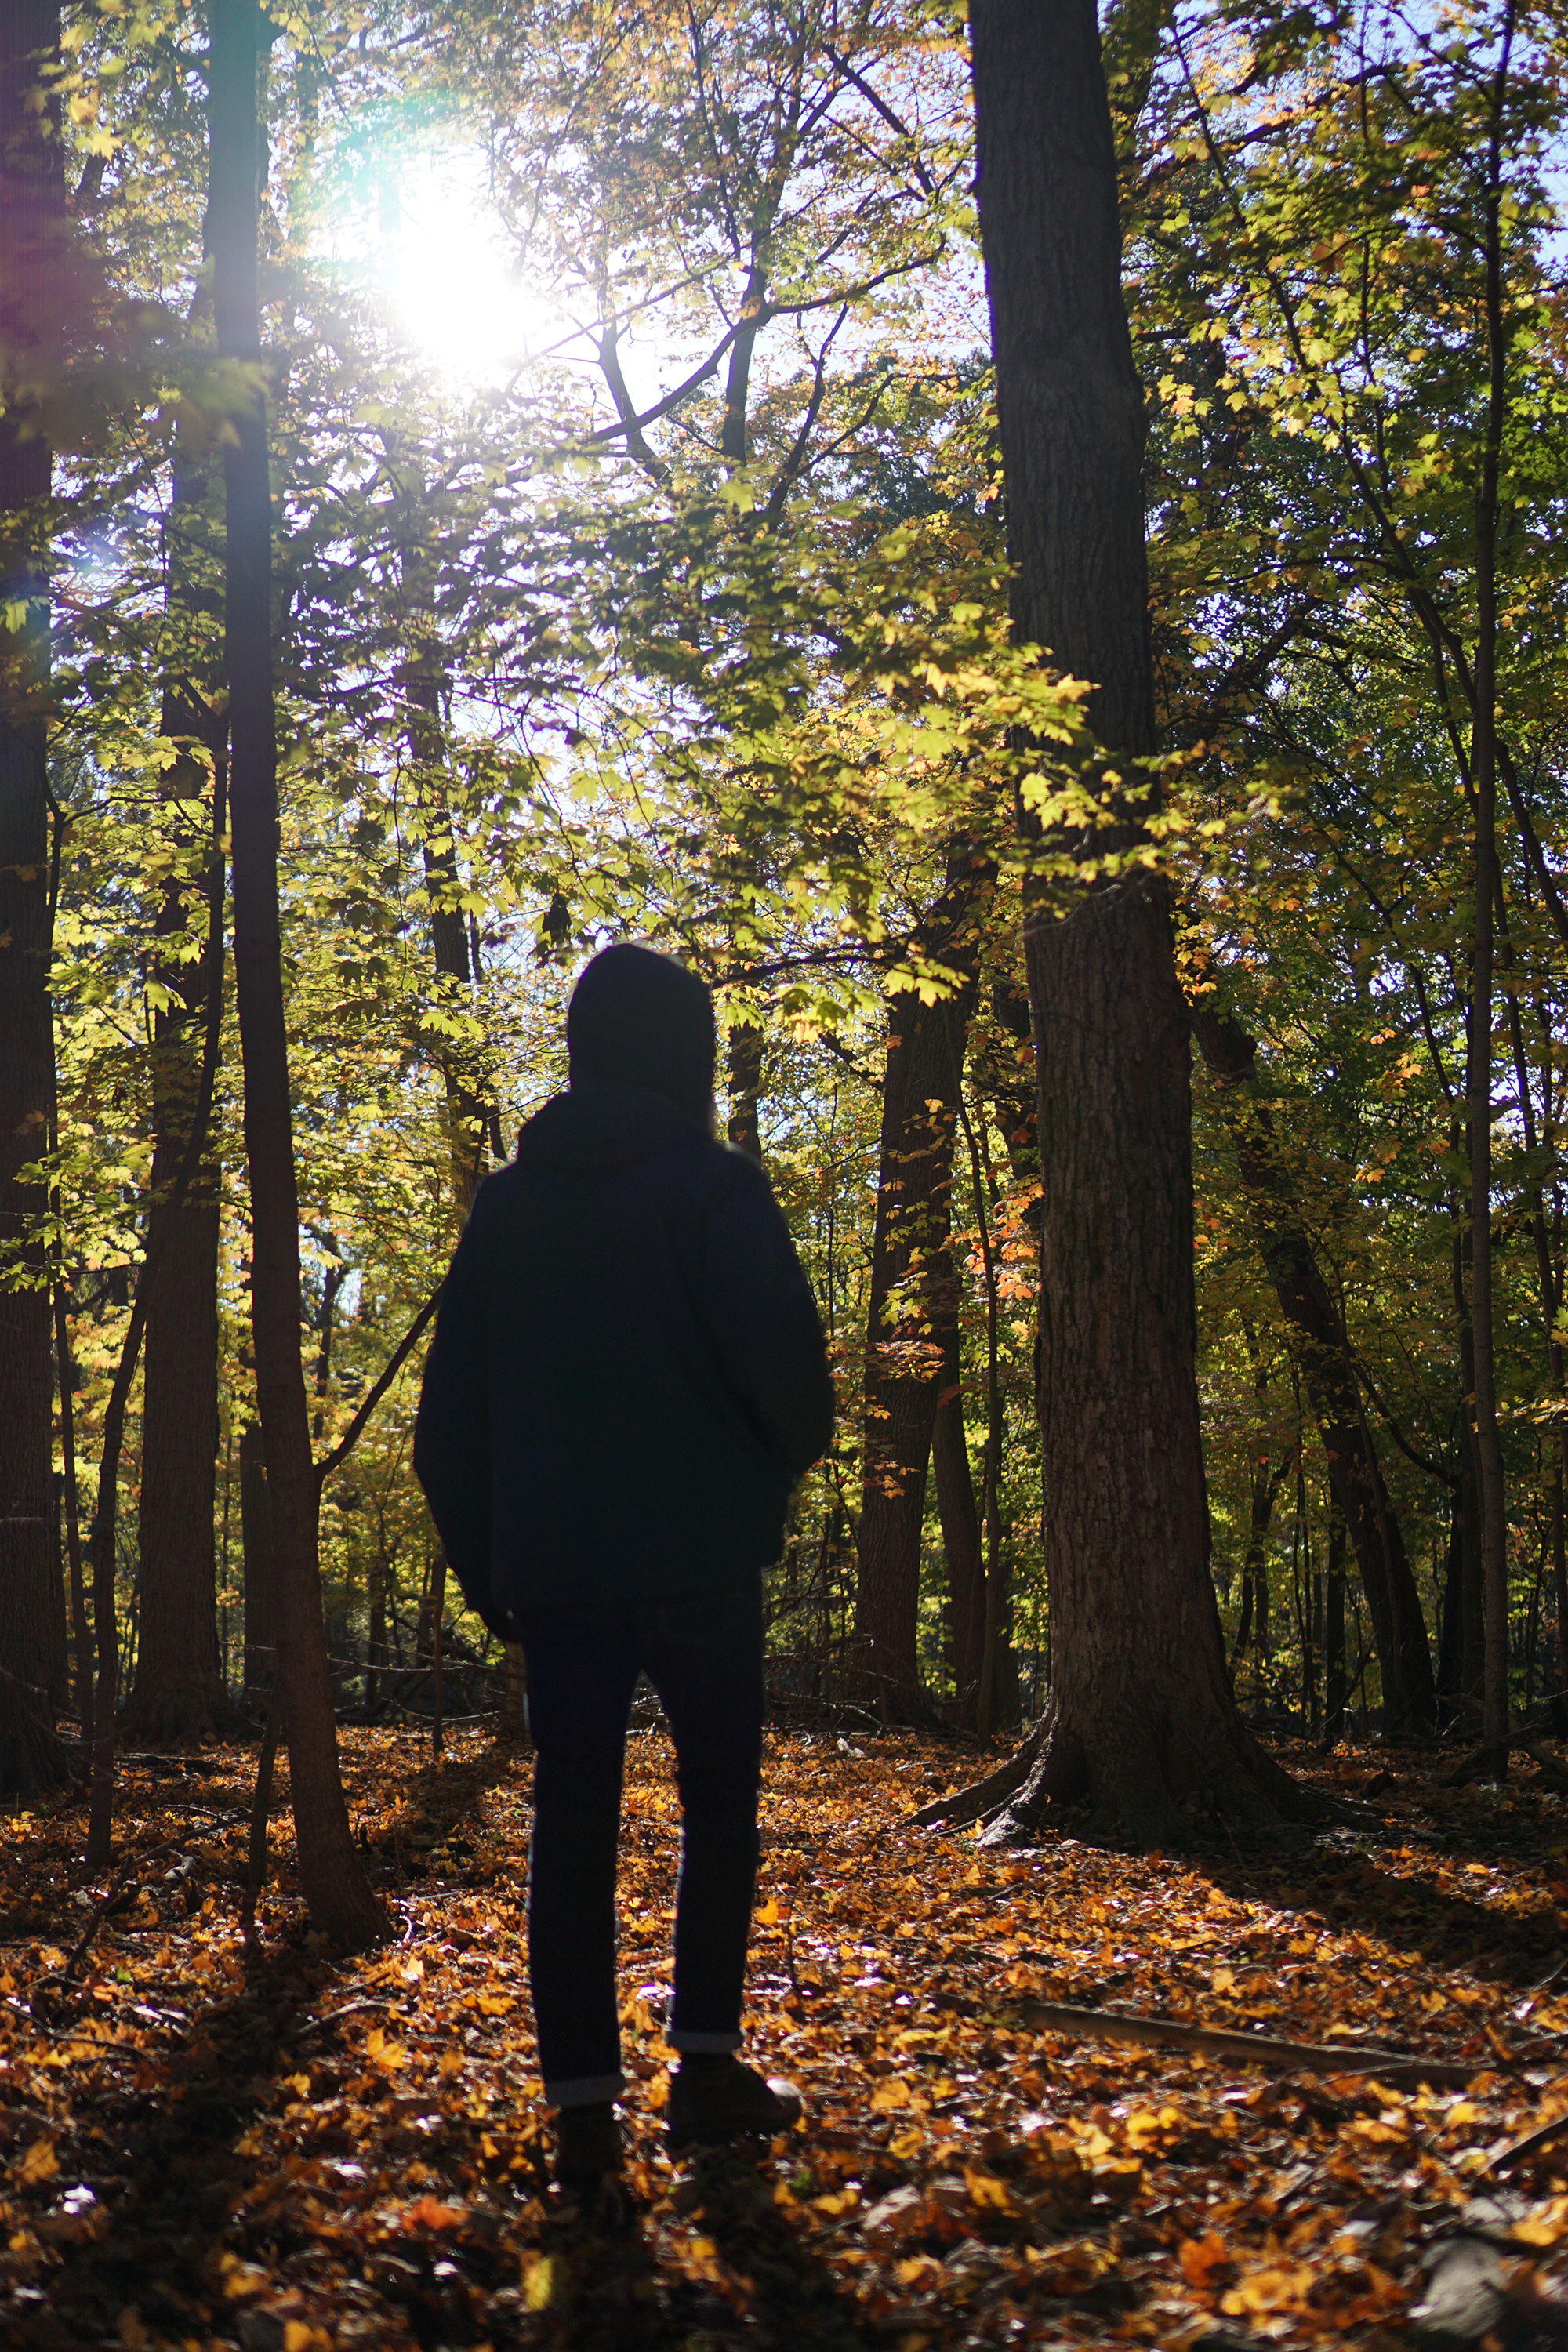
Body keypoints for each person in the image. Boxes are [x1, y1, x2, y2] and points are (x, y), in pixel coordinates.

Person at [413, 942, 834, 2198]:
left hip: (559, 1567)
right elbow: (794, 1393)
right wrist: (756, 1483)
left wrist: (493, 1565)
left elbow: (448, 1423)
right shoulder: (716, 1191)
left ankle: (581, 2108)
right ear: (686, 1056)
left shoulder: (510, 1206)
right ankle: (705, 2074)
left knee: (573, 1816)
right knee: (718, 1804)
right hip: (701, 1552)